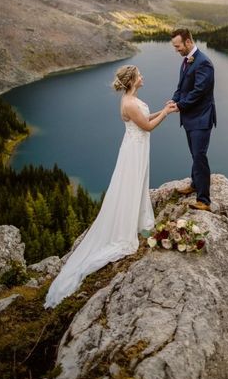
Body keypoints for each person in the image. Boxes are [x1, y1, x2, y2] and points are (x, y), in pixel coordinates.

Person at [44, 65, 177, 308]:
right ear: (133, 80)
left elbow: (144, 118)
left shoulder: (131, 99)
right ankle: (127, 227)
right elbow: (147, 127)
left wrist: (165, 108)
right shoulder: (129, 102)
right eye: (140, 74)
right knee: (131, 185)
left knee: (135, 184)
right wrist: (166, 113)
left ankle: (136, 220)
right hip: (134, 150)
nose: (143, 76)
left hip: (136, 147)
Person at [169, 28, 217, 212]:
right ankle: (195, 184)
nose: (176, 49)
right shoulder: (187, 61)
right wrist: (174, 99)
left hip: (201, 118)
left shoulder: (204, 63)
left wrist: (180, 105)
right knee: (195, 154)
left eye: (178, 46)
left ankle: (204, 200)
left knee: (199, 156)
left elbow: (198, 92)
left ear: (188, 42)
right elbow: (181, 87)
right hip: (190, 118)